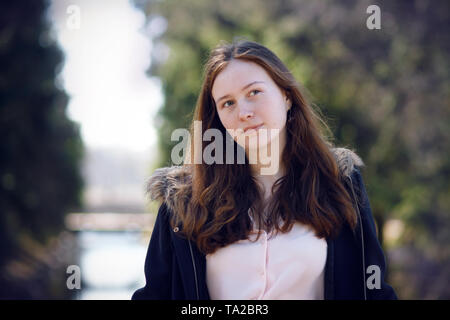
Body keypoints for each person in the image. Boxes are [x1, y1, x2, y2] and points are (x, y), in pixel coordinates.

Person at [132, 39, 398, 300]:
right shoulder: (183, 202)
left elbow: (374, 292)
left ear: (286, 96)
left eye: (254, 93)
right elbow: (155, 294)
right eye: (228, 103)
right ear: (218, 119)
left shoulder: (340, 183)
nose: (244, 112)